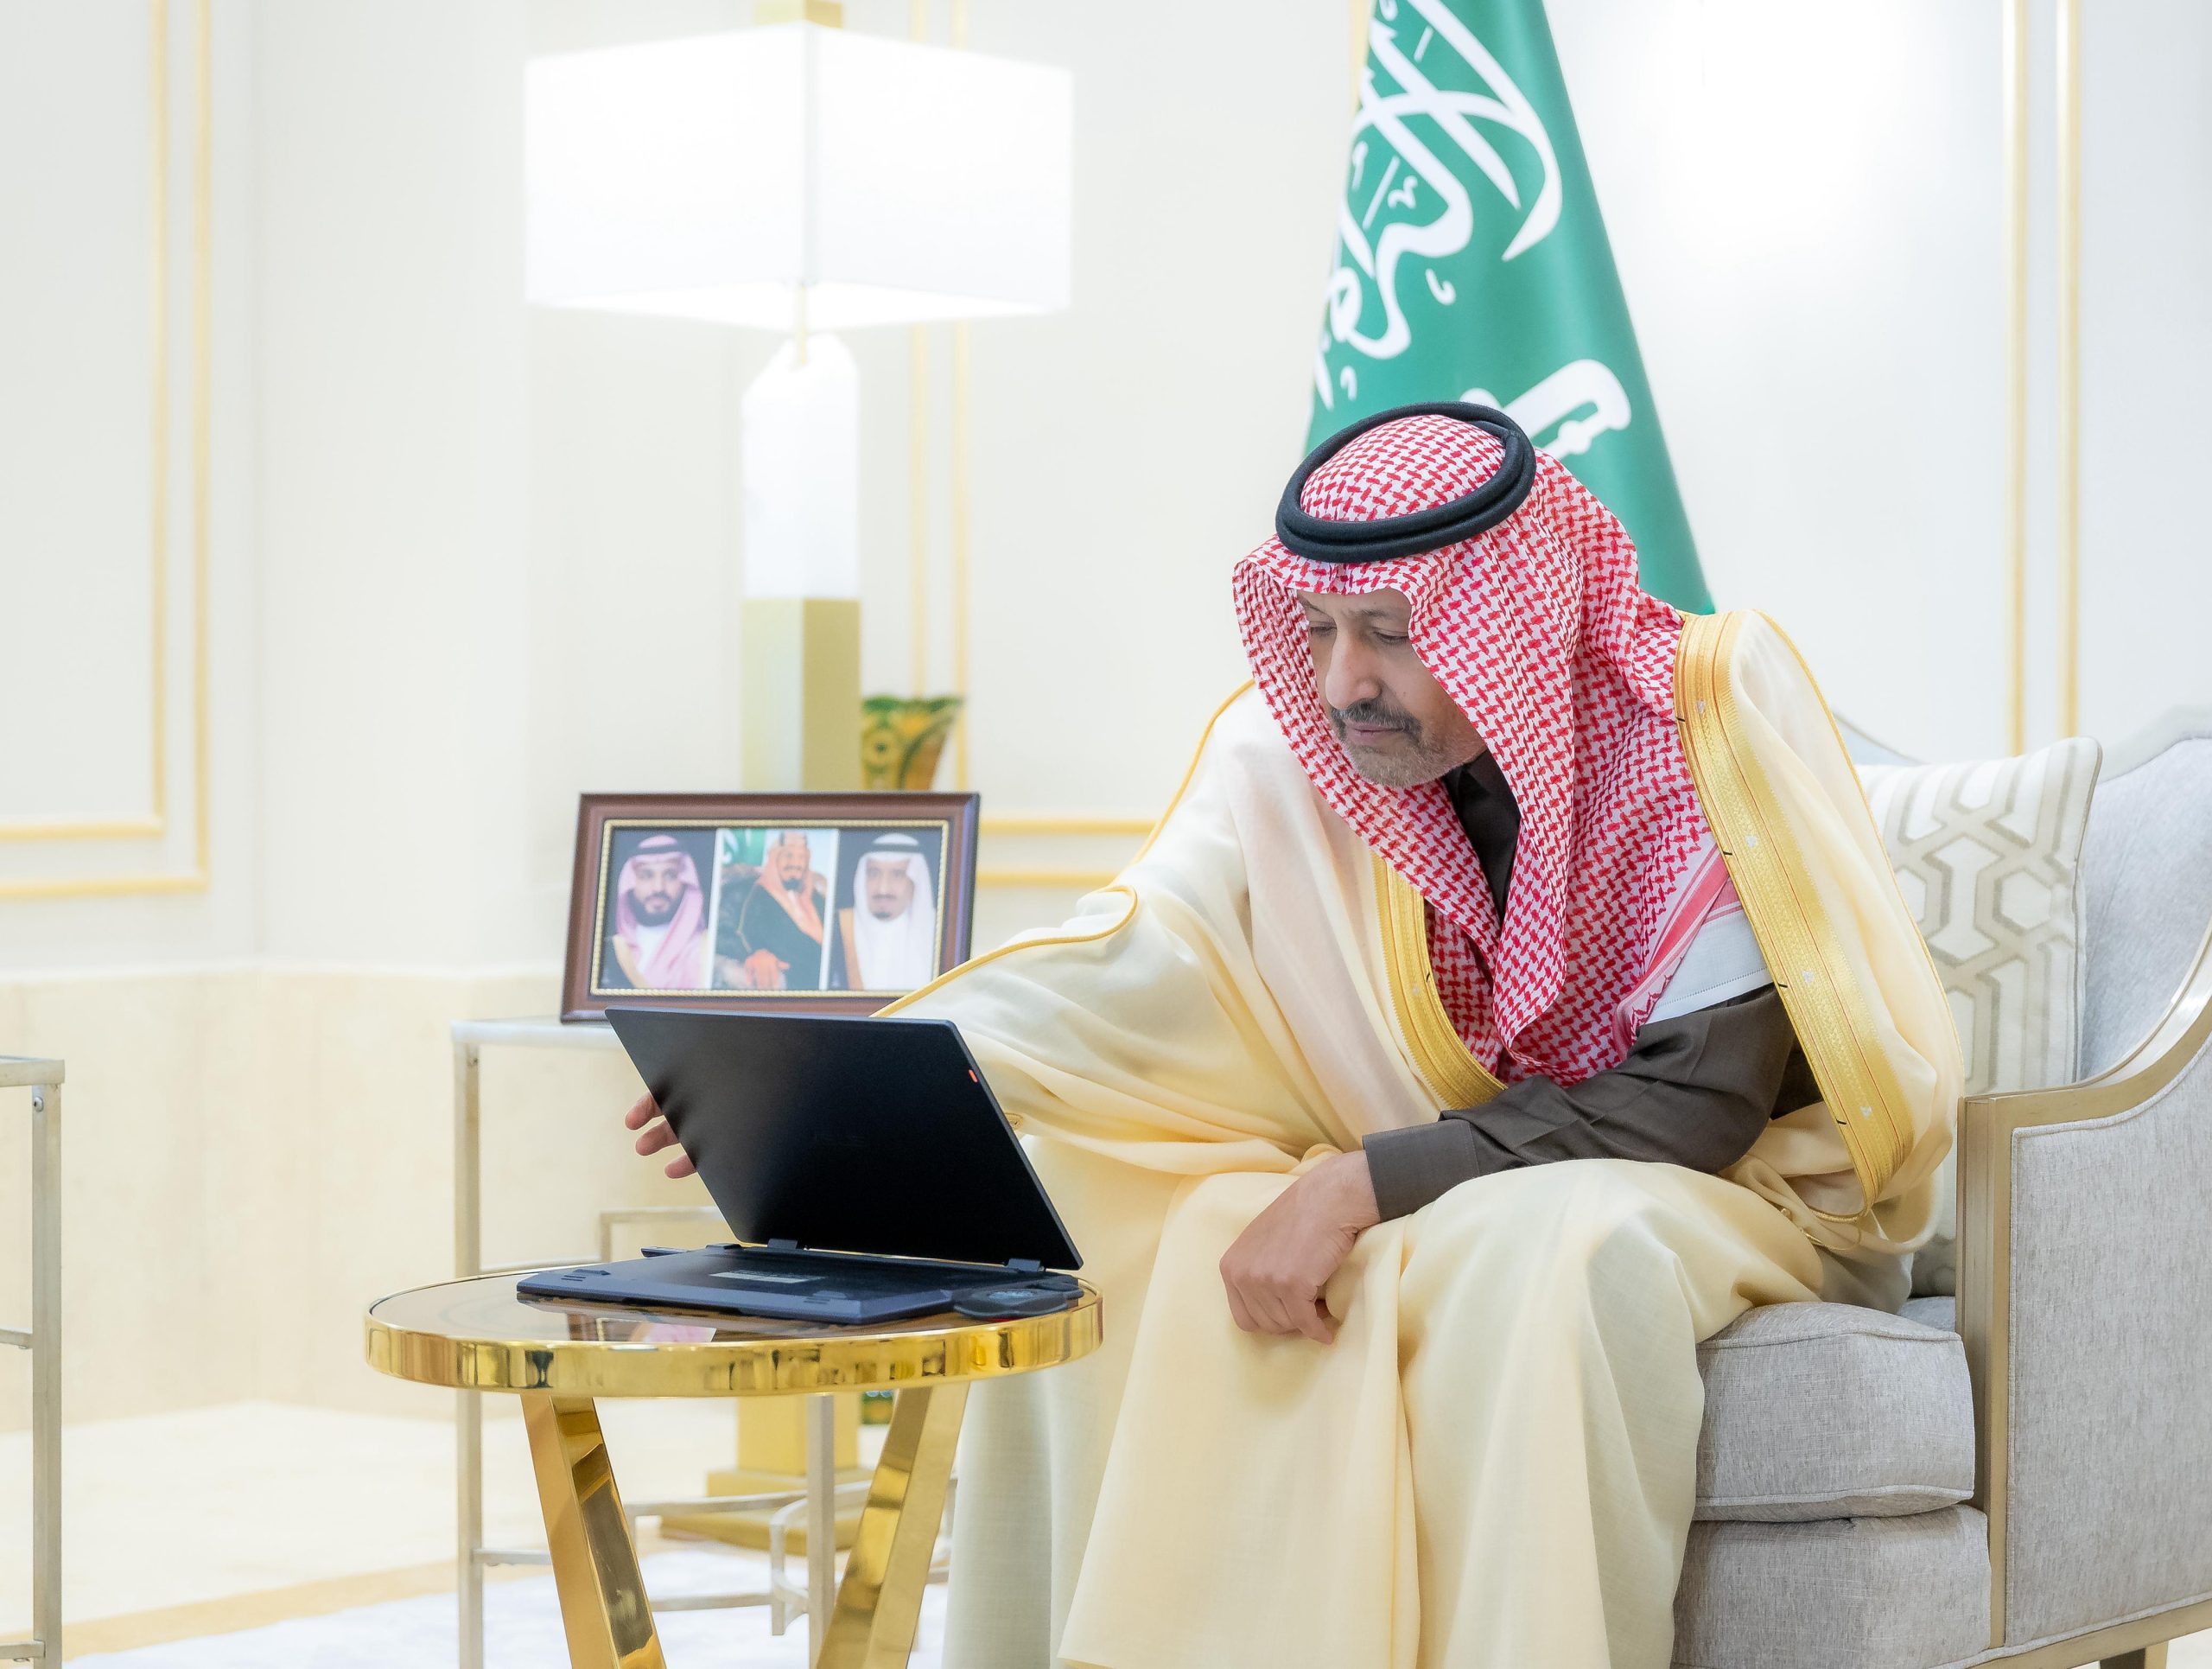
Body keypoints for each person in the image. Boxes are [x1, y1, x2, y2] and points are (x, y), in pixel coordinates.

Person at [626, 405, 1960, 1667]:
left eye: (1390, 631)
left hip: (1736, 1185)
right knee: (1095, 1195)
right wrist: (836, 1081)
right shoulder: (1302, 760)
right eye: (1316, 627)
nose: (1341, 681)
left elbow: (1692, 1105)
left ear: (1520, 614)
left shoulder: (1692, 730)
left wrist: (1358, 1185)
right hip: (1463, 1161)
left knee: (1559, 1239)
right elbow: (1130, 958)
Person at [713, 829, 838, 991]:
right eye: (788, 855)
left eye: (801, 857)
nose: (796, 863)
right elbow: (720, 932)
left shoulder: (817, 899)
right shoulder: (746, 892)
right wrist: (754, 954)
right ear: (774, 858)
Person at [601, 833, 709, 990]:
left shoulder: (705, 950)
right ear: (630, 883)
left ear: (687, 882)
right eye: (646, 876)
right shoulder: (610, 950)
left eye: (670, 876)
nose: (658, 887)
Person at [836, 832, 938, 991]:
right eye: (874, 874)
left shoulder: (939, 932)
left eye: (897, 875)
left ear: (915, 880)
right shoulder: (838, 928)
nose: (883, 889)